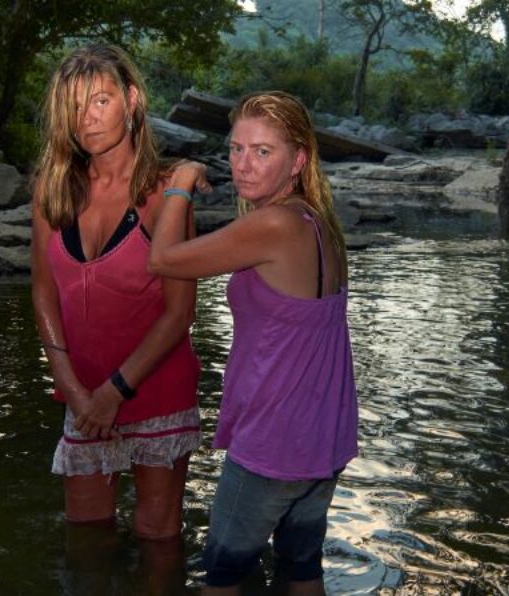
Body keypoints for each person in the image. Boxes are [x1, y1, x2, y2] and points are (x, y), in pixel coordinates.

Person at [149, 91, 359, 595]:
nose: (244, 165)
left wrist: (178, 188)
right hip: (323, 439)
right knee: (301, 568)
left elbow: (164, 259)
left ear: (298, 159)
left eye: (262, 151)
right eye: (237, 149)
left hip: (275, 441)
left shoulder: (272, 223)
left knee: (223, 575)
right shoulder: (317, 221)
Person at [30, 43, 202, 546]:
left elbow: (180, 313)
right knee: (84, 538)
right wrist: (74, 388)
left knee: (157, 539)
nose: (88, 118)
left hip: (155, 391)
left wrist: (113, 393)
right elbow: (42, 288)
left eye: (101, 101)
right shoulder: (52, 187)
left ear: (131, 100)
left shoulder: (166, 191)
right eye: (76, 106)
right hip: (82, 395)